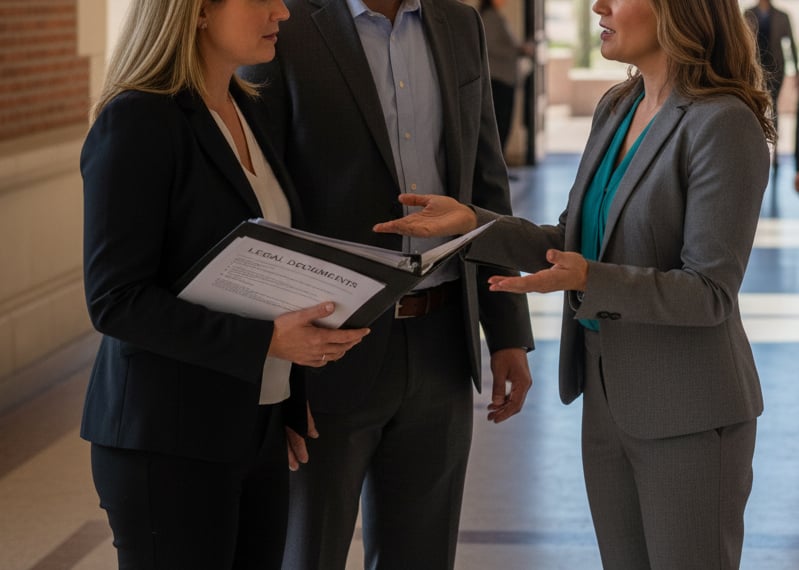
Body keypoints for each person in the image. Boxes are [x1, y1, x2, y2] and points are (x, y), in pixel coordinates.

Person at [375, 0, 775, 568]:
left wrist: (591, 278)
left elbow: (709, 291)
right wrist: (472, 224)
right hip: (607, 400)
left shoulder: (722, 122)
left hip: (688, 412)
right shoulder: (618, 106)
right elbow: (572, 238)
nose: (598, 6)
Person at [238, 0, 535, 567]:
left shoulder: (459, 23)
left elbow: (485, 183)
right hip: (327, 348)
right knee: (307, 552)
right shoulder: (284, 24)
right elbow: (259, 206)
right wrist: (276, 374)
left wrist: (507, 333)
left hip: (443, 346)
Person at [80, 1, 371, 568]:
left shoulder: (244, 109)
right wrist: (268, 342)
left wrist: (283, 401)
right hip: (167, 438)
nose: (282, 11)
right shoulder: (138, 119)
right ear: (197, 12)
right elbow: (115, 300)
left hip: (253, 424)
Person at [743, 0, 798, 172]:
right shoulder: (749, 14)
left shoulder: (782, 16)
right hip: (754, 71)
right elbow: (743, 43)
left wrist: (795, 71)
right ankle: (754, 150)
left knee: (774, 112)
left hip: (776, 72)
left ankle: (775, 155)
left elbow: (790, 45)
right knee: (753, 110)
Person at [479, 0, 534, 154]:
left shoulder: (496, 16)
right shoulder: (489, 17)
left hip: (504, 78)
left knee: (503, 125)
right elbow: (491, 47)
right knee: (499, 126)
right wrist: (519, 50)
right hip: (498, 79)